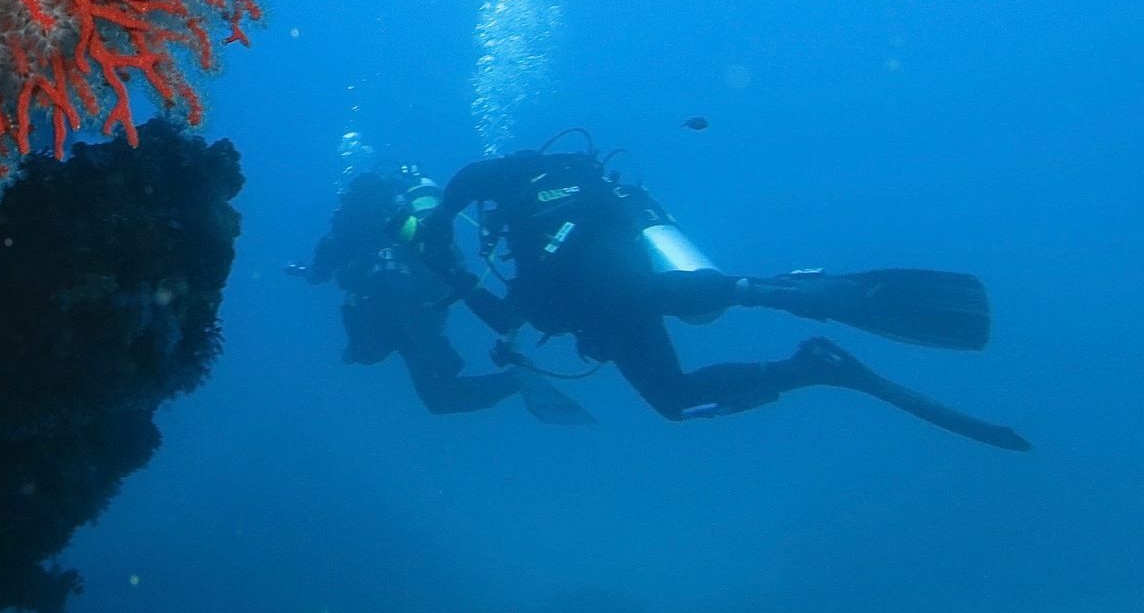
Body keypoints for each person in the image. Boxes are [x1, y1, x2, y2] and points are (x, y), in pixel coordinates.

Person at [408, 134, 1029, 450]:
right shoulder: (570, 193)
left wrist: (449, 261)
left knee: (675, 398)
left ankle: (799, 354)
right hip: (635, 290)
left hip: (609, 300)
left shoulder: (509, 197)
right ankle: (766, 299)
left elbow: (503, 297)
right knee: (668, 357)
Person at [286, 170, 523, 416]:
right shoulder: (401, 217)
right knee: (441, 396)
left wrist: (302, 270)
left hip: (381, 312)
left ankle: (515, 380)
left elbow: (319, 273)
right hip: (420, 311)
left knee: (370, 355)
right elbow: (444, 257)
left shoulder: (345, 223)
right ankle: (515, 380)